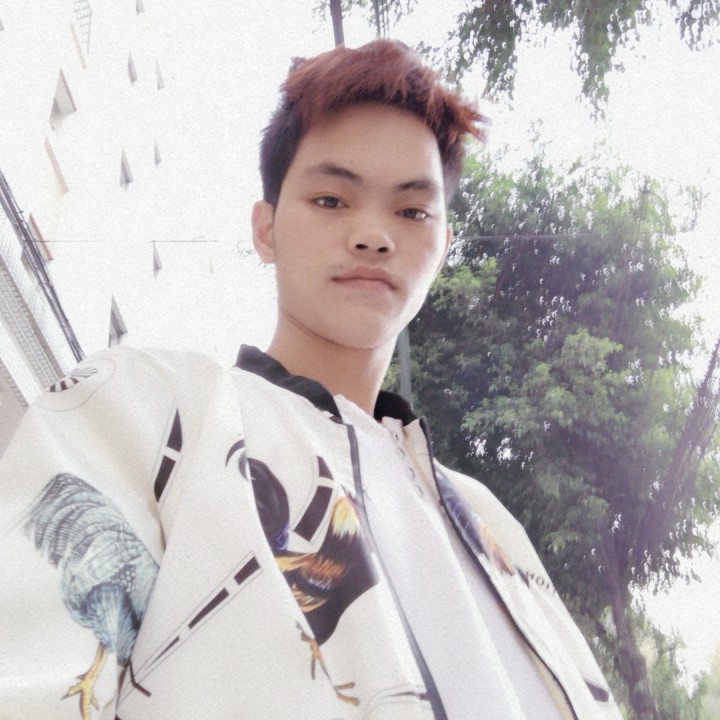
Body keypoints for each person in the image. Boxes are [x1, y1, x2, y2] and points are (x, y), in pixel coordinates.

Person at [0, 40, 622, 719]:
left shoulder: (495, 526)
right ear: (265, 229)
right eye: (331, 199)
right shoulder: (150, 409)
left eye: (412, 211)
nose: (373, 235)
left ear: (443, 247)